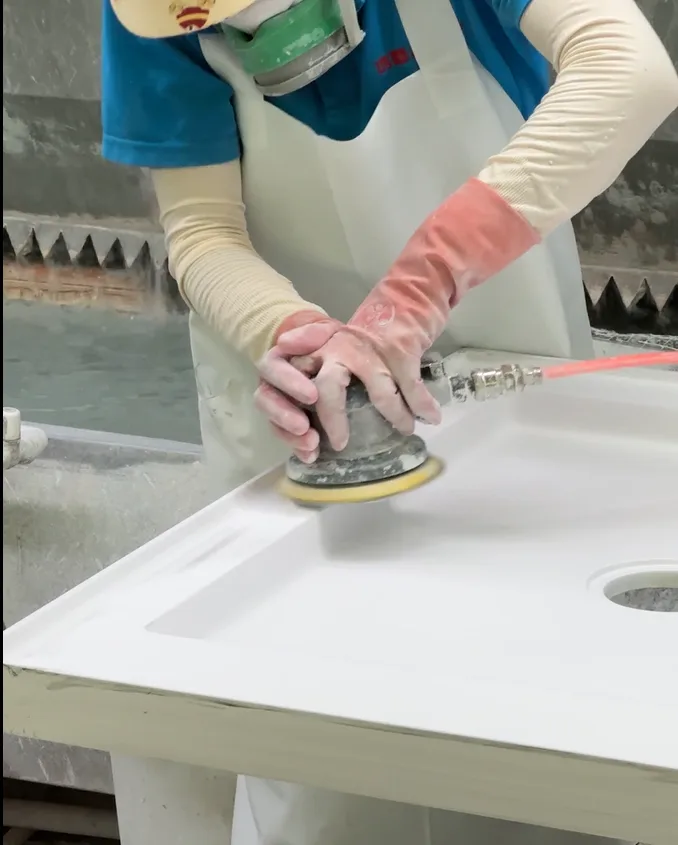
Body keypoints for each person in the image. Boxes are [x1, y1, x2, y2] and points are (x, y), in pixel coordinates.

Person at [102, 0, 677, 843]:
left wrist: (425, 279)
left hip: (499, 365)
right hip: (297, 414)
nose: (254, 36)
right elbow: (202, 227)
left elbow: (628, 71)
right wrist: (286, 330)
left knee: (536, 731)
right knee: (319, 753)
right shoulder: (145, 10)